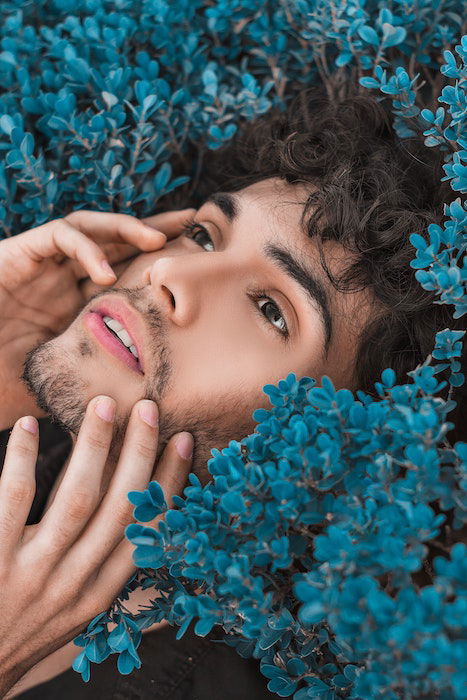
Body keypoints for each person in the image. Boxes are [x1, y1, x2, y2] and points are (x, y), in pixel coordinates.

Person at [1, 84, 465, 698]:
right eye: (204, 235)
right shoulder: (34, 451)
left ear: (334, 458)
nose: (169, 273)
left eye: (272, 311)